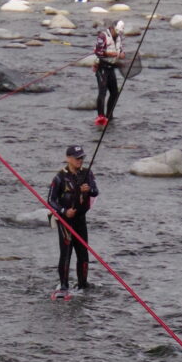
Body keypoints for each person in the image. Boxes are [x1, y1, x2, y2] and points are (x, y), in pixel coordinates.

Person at [46, 146, 99, 299]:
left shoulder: (87, 174)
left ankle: (83, 284)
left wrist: (88, 190)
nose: (80, 161)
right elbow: (50, 200)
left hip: (80, 220)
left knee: (83, 253)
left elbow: (95, 192)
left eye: (82, 158)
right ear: (68, 158)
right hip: (65, 221)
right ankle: (63, 286)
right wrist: (63, 211)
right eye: (77, 158)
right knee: (66, 253)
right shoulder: (59, 178)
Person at [93, 20, 124, 127]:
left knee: (114, 92)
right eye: (116, 32)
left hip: (111, 68)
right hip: (102, 67)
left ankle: (109, 115)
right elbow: (98, 52)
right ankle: (100, 116)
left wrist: (122, 54)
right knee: (102, 92)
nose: (117, 34)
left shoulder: (119, 37)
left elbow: (120, 49)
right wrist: (108, 53)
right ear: (112, 28)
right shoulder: (103, 36)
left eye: (119, 32)